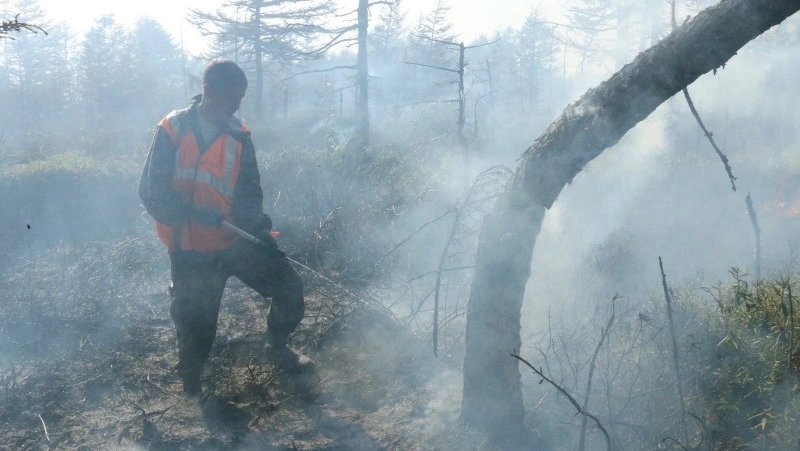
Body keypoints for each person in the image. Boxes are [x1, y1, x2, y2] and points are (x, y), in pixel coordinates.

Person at [138, 60, 311, 396]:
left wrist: (261, 234)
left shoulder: (239, 136)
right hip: (189, 249)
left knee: (290, 289)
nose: (237, 104)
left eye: (241, 97)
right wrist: (190, 212)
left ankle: (276, 346)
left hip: (234, 241)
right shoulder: (172, 129)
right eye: (233, 96)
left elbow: (250, 192)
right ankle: (193, 387)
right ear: (209, 91)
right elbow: (151, 191)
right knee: (196, 326)